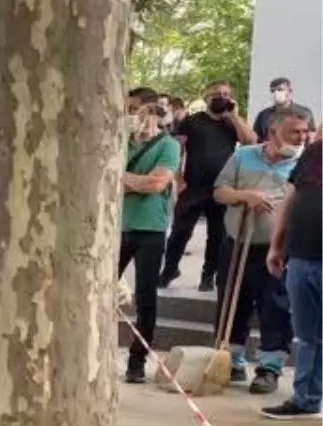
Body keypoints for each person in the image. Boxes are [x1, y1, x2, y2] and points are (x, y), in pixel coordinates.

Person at [211, 109, 306, 393]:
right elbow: (220, 191)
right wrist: (246, 196)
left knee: (275, 307)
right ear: (274, 132)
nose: (302, 138)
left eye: (305, 132)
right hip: (237, 242)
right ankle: (232, 360)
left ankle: (269, 368)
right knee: (232, 302)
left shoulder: (306, 162)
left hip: (276, 250)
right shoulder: (244, 155)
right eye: (295, 132)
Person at [160, 80, 258, 292]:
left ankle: (208, 276)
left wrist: (233, 115)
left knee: (217, 235)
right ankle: (169, 270)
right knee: (180, 231)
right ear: (206, 98)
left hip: (222, 188)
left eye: (226, 94)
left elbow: (250, 140)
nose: (221, 97)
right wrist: (177, 178)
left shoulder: (232, 124)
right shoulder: (191, 121)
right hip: (193, 187)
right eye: (217, 94)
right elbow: (177, 148)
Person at [121, 87, 182, 383]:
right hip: (118, 227)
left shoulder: (169, 145)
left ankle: (137, 359)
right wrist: (135, 181)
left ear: (152, 111)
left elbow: (157, 184)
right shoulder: (121, 143)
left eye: (136, 109)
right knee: (97, 289)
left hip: (151, 229)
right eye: (129, 109)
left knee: (146, 296)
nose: (132, 115)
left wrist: (121, 179)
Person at [264, 139, 323, 419]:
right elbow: (291, 196)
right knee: (307, 334)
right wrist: (276, 244)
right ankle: (305, 399)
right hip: (301, 255)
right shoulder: (314, 151)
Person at [253, 78, 316, 144]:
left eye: (280, 89)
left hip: (297, 151)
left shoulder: (304, 112)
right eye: (272, 90)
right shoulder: (263, 115)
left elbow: (310, 137)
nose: (276, 93)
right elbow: (256, 139)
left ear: (290, 91)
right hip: (271, 152)